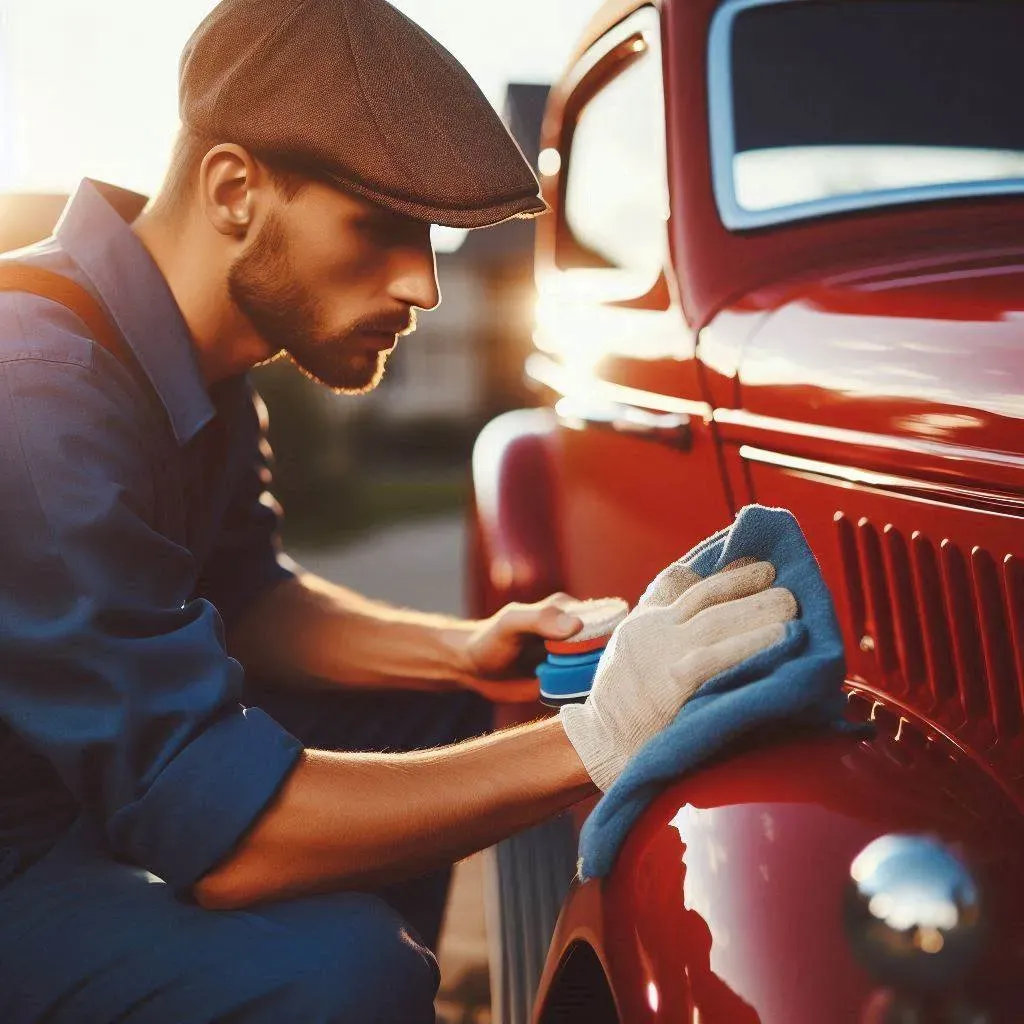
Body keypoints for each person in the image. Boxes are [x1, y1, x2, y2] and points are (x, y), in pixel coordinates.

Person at [0, 1, 795, 1020]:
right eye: (378, 224)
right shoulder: (38, 389)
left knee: (438, 715)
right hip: (20, 844)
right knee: (348, 969)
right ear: (236, 189)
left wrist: (461, 652)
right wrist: (598, 735)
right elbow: (220, 836)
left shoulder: (197, 351)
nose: (421, 282)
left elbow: (244, 596)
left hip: (77, 784)